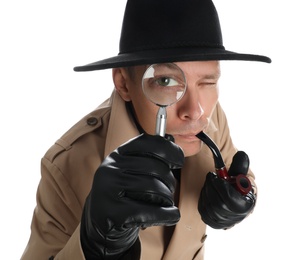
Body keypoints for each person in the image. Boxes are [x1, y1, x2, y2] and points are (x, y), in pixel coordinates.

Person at [21, 0, 271, 259]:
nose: (195, 111)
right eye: (166, 81)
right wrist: (93, 244)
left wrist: (240, 199)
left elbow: (236, 172)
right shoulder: (66, 165)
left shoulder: (210, 116)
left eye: (208, 81)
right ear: (123, 83)